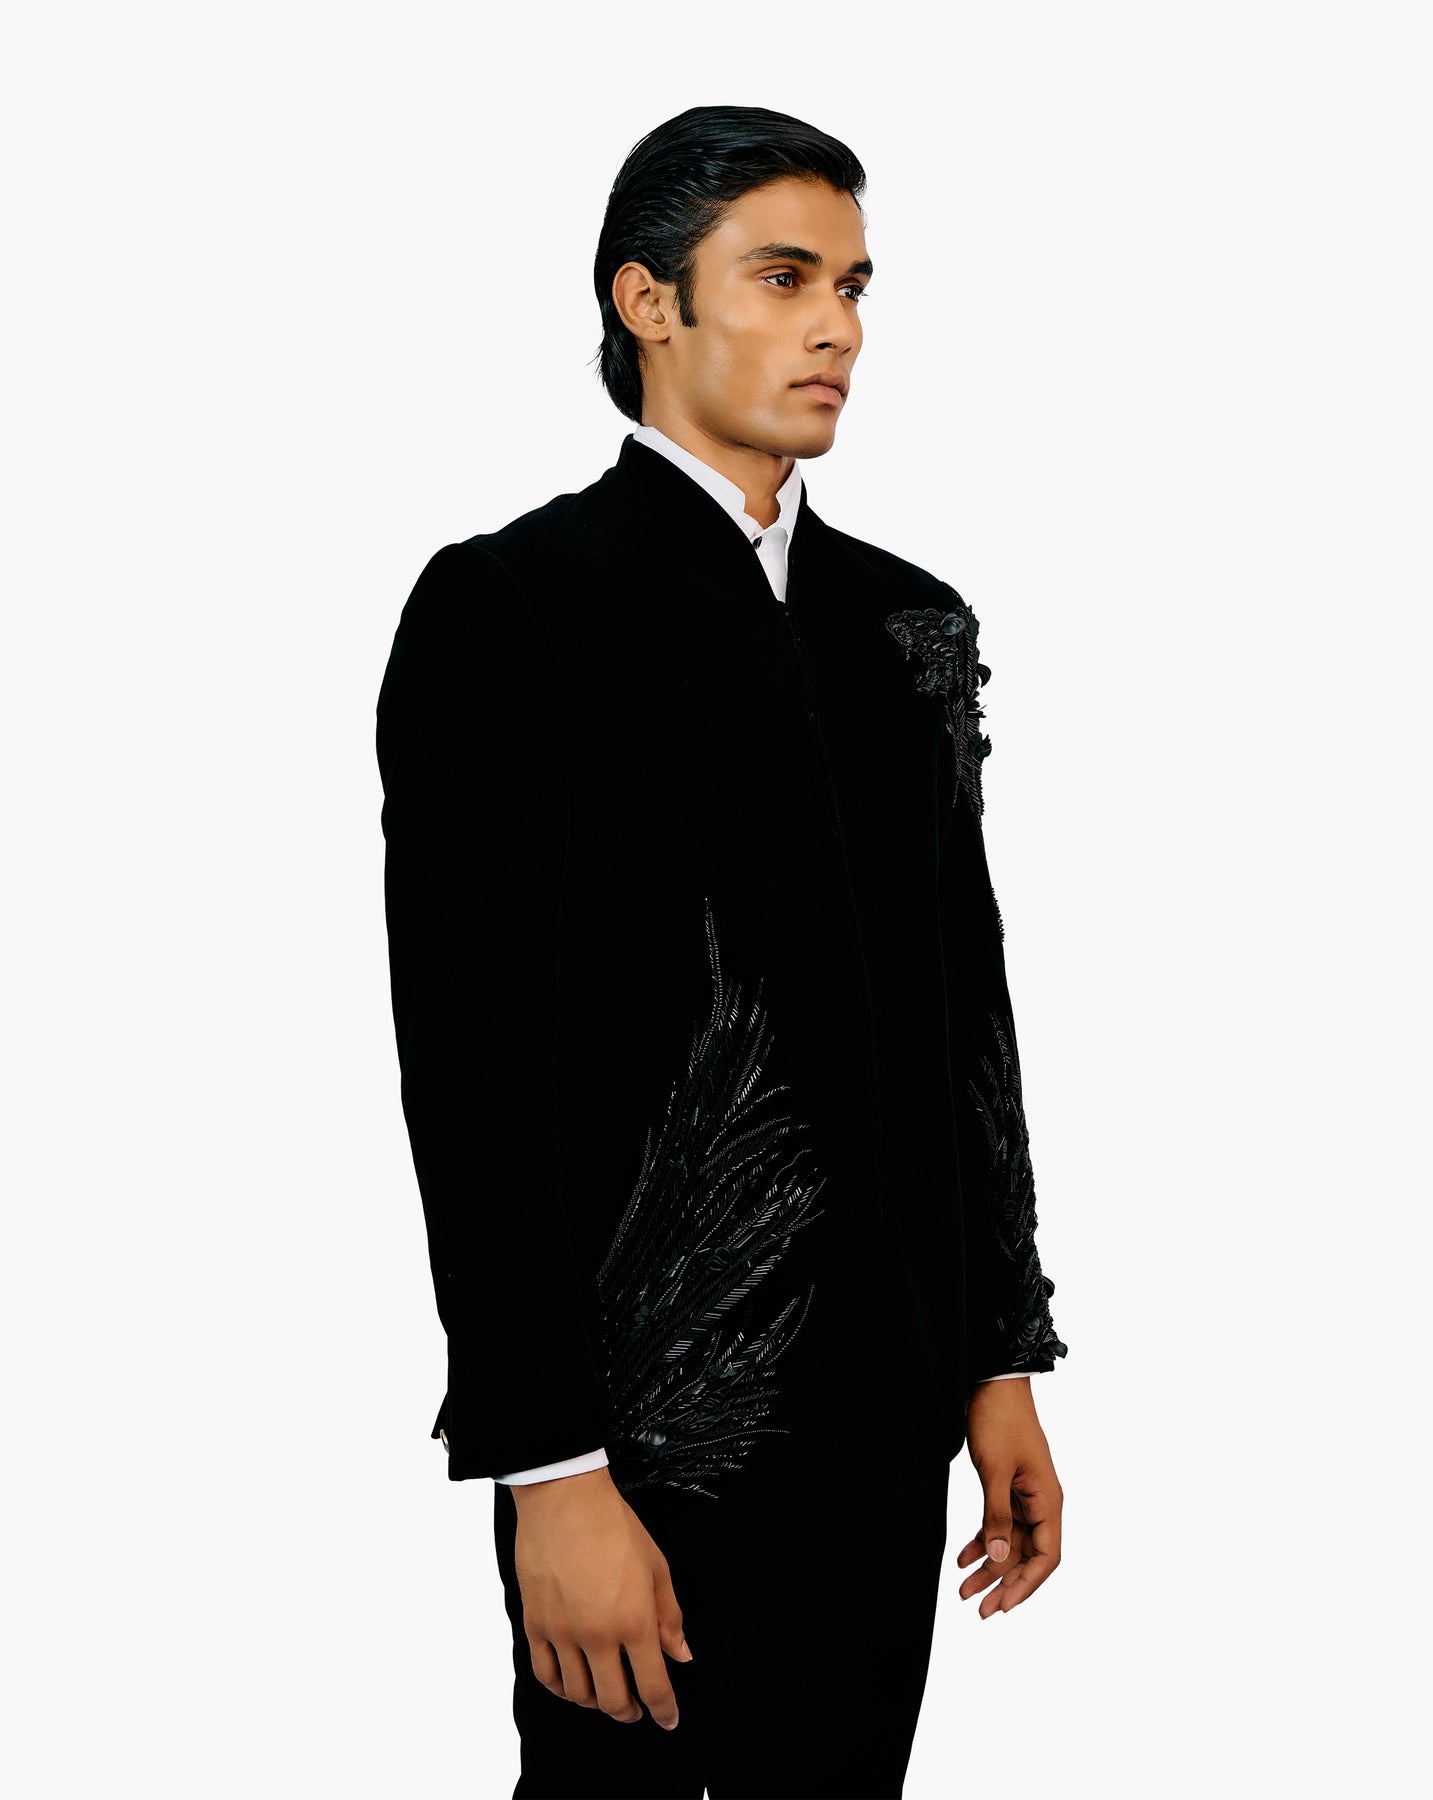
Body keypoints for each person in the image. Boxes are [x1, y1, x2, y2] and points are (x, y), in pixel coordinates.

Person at [376, 102, 1069, 1800]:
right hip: (645, 1426)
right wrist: (546, 1470)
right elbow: (471, 1064)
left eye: (853, 284)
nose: (837, 327)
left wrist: (998, 1356)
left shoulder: (904, 622)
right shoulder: (511, 608)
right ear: (647, 300)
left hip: (892, 1411)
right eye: (782, 277)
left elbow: (961, 1009)